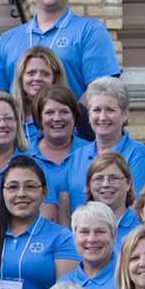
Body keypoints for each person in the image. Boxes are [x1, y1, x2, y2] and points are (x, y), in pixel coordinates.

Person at [0, 0, 121, 101]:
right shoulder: (7, 39)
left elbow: (100, 88)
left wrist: (68, 119)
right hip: (20, 123)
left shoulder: (90, 31)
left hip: (71, 122)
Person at [0, 156, 80, 289]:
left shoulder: (62, 238)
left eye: (30, 186)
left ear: (44, 193)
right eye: (13, 187)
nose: (21, 194)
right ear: (2, 193)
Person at [77, 76, 145, 193]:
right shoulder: (77, 156)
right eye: (96, 110)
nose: (102, 117)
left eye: (110, 110)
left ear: (124, 114)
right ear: (89, 115)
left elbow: (139, 204)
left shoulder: (136, 154)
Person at [27, 86, 89, 221]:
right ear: (39, 118)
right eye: (49, 113)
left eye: (64, 112)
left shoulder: (92, 153)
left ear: (74, 116)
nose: (57, 118)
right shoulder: (25, 158)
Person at [59, 200, 122, 289]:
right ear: (74, 237)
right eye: (84, 232)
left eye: (100, 231)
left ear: (113, 236)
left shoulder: (127, 279)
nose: (92, 239)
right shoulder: (64, 282)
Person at [10, 46, 67, 141]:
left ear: (55, 78)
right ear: (21, 78)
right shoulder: (9, 116)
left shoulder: (67, 118)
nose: (37, 78)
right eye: (31, 73)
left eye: (45, 74)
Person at [85, 151, 141, 241]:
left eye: (114, 178)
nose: (106, 184)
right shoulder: (81, 227)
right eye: (99, 178)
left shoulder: (142, 225)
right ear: (89, 185)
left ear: (128, 184)